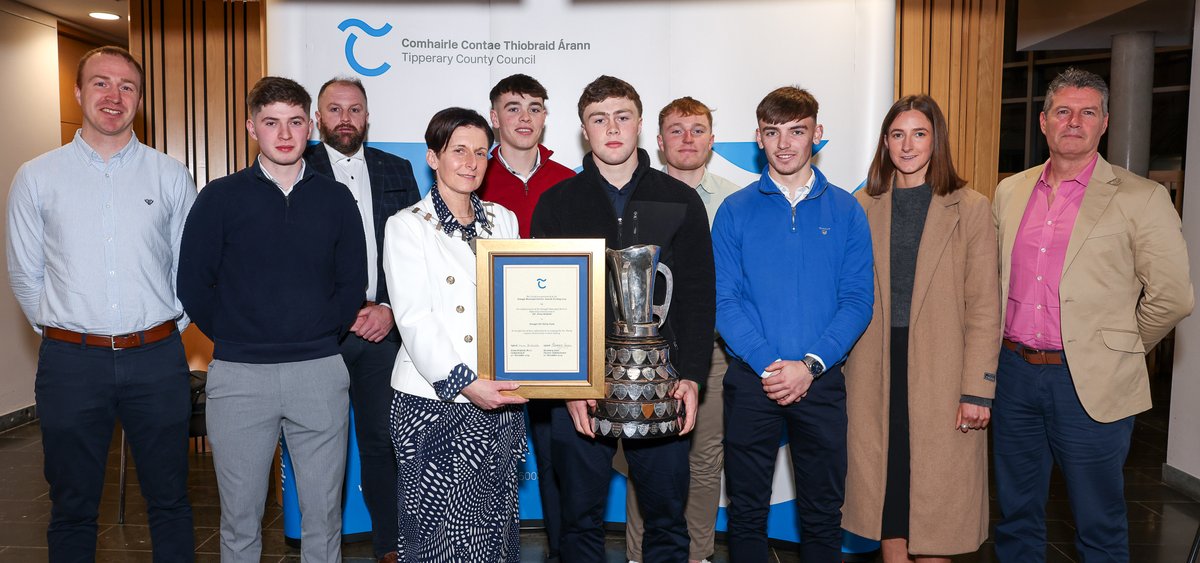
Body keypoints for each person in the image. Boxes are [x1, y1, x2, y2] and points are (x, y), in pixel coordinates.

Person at [991, 68, 1193, 562]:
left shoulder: (1141, 197)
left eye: (1088, 112)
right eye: (1063, 111)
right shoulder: (1010, 192)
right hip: (1013, 375)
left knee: (1098, 523)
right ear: (1044, 122)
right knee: (1015, 517)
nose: (1074, 121)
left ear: (1105, 122)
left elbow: (1172, 297)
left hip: (1090, 383)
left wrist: (1116, 347)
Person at [6, 45, 196, 562]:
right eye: (101, 83)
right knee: (71, 507)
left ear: (139, 99)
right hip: (71, 364)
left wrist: (160, 332)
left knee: (171, 500)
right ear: (78, 92)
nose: (114, 96)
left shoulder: (169, 175)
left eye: (127, 86)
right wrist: (69, 332)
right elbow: (26, 275)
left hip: (156, 360)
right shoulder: (37, 177)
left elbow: (190, 270)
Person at [177, 76, 367, 562]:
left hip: (319, 371)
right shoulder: (219, 198)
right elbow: (193, 284)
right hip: (239, 375)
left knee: (324, 517)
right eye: (271, 122)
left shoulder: (336, 199)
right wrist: (238, 335)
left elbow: (352, 284)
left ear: (311, 127)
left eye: (295, 122)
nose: (284, 134)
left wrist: (318, 333)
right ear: (251, 128)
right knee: (240, 519)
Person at [530, 75, 714, 563]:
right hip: (579, 388)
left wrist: (692, 376)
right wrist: (566, 385)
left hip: (662, 383)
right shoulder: (557, 202)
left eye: (622, 116)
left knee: (667, 521)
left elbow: (699, 297)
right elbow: (547, 304)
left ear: (639, 124)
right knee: (577, 522)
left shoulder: (680, 200)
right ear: (584, 130)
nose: (611, 128)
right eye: (599, 119)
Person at [711, 86, 873, 563]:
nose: (784, 144)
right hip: (751, 380)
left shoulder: (846, 209)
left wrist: (809, 366)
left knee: (823, 514)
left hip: (821, 381)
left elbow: (857, 300)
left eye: (796, 131)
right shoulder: (734, 210)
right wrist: (771, 366)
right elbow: (724, 301)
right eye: (772, 132)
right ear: (758, 137)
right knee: (746, 513)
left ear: (817, 134)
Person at [842, 94, 1000, 562]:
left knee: (938, 502)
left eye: (919, 134)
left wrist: (978, 389)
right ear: (885, 142)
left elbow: (984, 306)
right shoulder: (860, 206)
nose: (907, 145)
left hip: (943, 367)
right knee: (886, 491)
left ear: (936, 140)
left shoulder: (970, 207)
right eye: (897, 134)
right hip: (874, 366)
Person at [382, 107, 528, 563]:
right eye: (459, 150)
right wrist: (468, 383)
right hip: (434, 401)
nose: (471, 162)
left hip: (498, 396)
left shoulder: (503, 220)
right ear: (433, 157)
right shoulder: (407, 225)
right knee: (436, 537)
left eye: (481, 153)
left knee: (492, 531)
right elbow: (414, 320)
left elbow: (516, 305)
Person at [303, 76, 420, 563]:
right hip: (318, 336)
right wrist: (338, 311)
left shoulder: (398, 169)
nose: (345, 118)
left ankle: (389, 546)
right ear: (318, 119)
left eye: (354, 109)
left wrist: (389, 308)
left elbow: (414, 249)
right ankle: (321, 549)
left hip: (380, 333)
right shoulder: (296, 168)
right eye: (335, 109)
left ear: (367, 117)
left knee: (382, 444)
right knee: (317, 448)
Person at [625, 96, 742, 563]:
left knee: (705, 459)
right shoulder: (636, 199)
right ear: (658, 140)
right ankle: (639, 555)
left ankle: (697, 555)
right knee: (643, 458)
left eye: (697, 130)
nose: (687, 138)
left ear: (712, 140)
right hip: (643, 353)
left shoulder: (736, 201)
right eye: (676, 130)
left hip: (711, 351)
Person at [477, 73, 576, 563]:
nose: (524, 117)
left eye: (535, 107)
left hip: (557, 345)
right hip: (491, 346)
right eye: (513, 107)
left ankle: (562, 552)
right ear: (494, 117)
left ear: (545, 117)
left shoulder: (570, 181)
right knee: (488, 464)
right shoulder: (472, 175)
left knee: (561, 461)